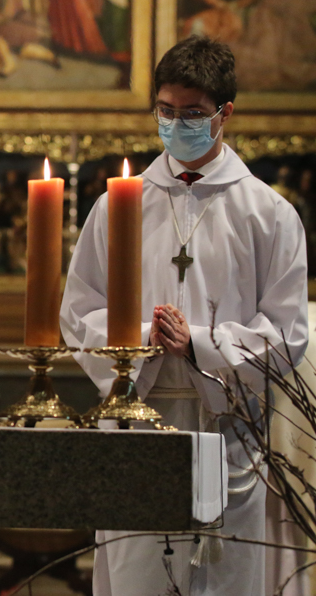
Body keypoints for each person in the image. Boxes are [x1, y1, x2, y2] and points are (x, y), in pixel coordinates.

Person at [60, 36, 308, 596]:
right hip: (139, 423)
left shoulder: (268, 213)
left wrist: (197, 342)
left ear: (225, 115)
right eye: (165, 111)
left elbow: (289, 334)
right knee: (137, 577)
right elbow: (78, 312)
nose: (175, 125)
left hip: (227, 429)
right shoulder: (120, 202)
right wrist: (137, 339)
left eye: (192, 114)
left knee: (223, 579)